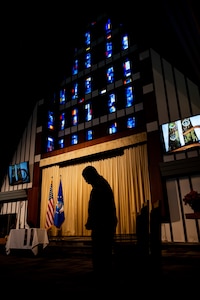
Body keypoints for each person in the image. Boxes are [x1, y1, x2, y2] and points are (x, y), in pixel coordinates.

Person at [82, 165, 118, 285]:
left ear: (91, 175)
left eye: (86, 178)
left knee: (101, 251)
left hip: (103, 224)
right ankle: (101, 273)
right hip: (103, 223)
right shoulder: (100, 183)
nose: (86, 181)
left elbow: (98, 207)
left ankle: (102, 275)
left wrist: (91, 221)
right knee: (101, 251)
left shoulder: (100, 186)